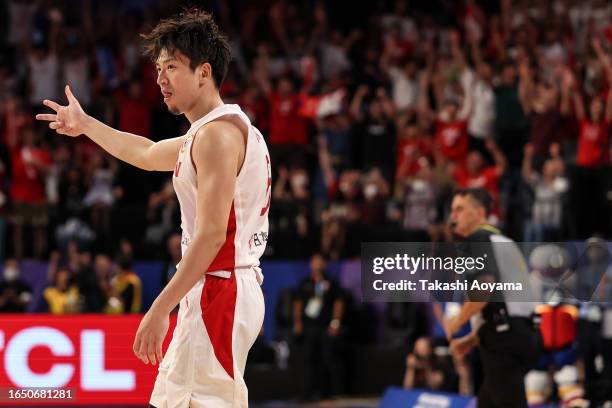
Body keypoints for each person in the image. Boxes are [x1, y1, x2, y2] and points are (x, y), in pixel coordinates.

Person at [37, 8, 269, 408]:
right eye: (158, 68)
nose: (160, 78)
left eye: (172, 67)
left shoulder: (217, 137)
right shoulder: (213, 131)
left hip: (220, 289)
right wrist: (87, 124)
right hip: (219, 288)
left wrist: (161, 307)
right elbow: (145, 152)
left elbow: (213, 235)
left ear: (204, 72)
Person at [444, 188, 541, 407]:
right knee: (488, 401)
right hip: (526, 333)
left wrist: (456, 322)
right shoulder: (503, 241)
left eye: (460, 209)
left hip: (503, 340)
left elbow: (484, 290)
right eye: (452, 210)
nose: (453, 216)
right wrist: (472, 338)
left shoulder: (477, 239)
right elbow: (511, 302)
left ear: (479, 212)